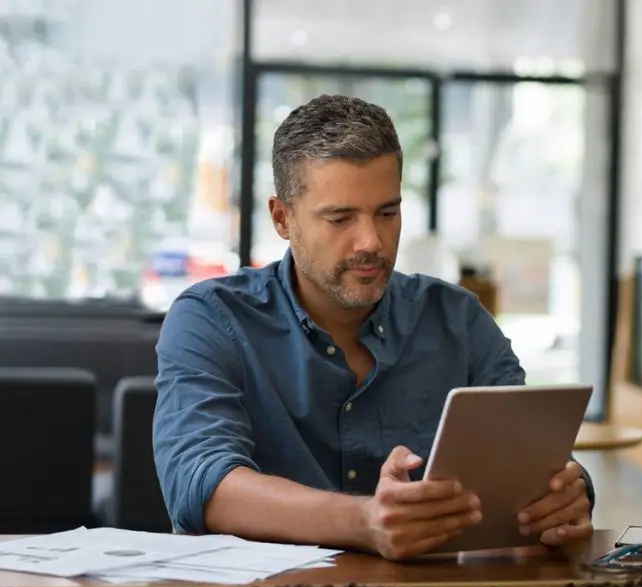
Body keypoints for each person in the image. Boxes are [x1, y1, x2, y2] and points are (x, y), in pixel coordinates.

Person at [153, 95, 595, 559]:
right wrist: (364, 522)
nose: (372, 242)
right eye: (341, 218)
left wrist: (566, 492)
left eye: (387, 213)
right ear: (282, 218)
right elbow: (200, 483)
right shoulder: (210, 319)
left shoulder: (458, 320)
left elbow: (529, 459)